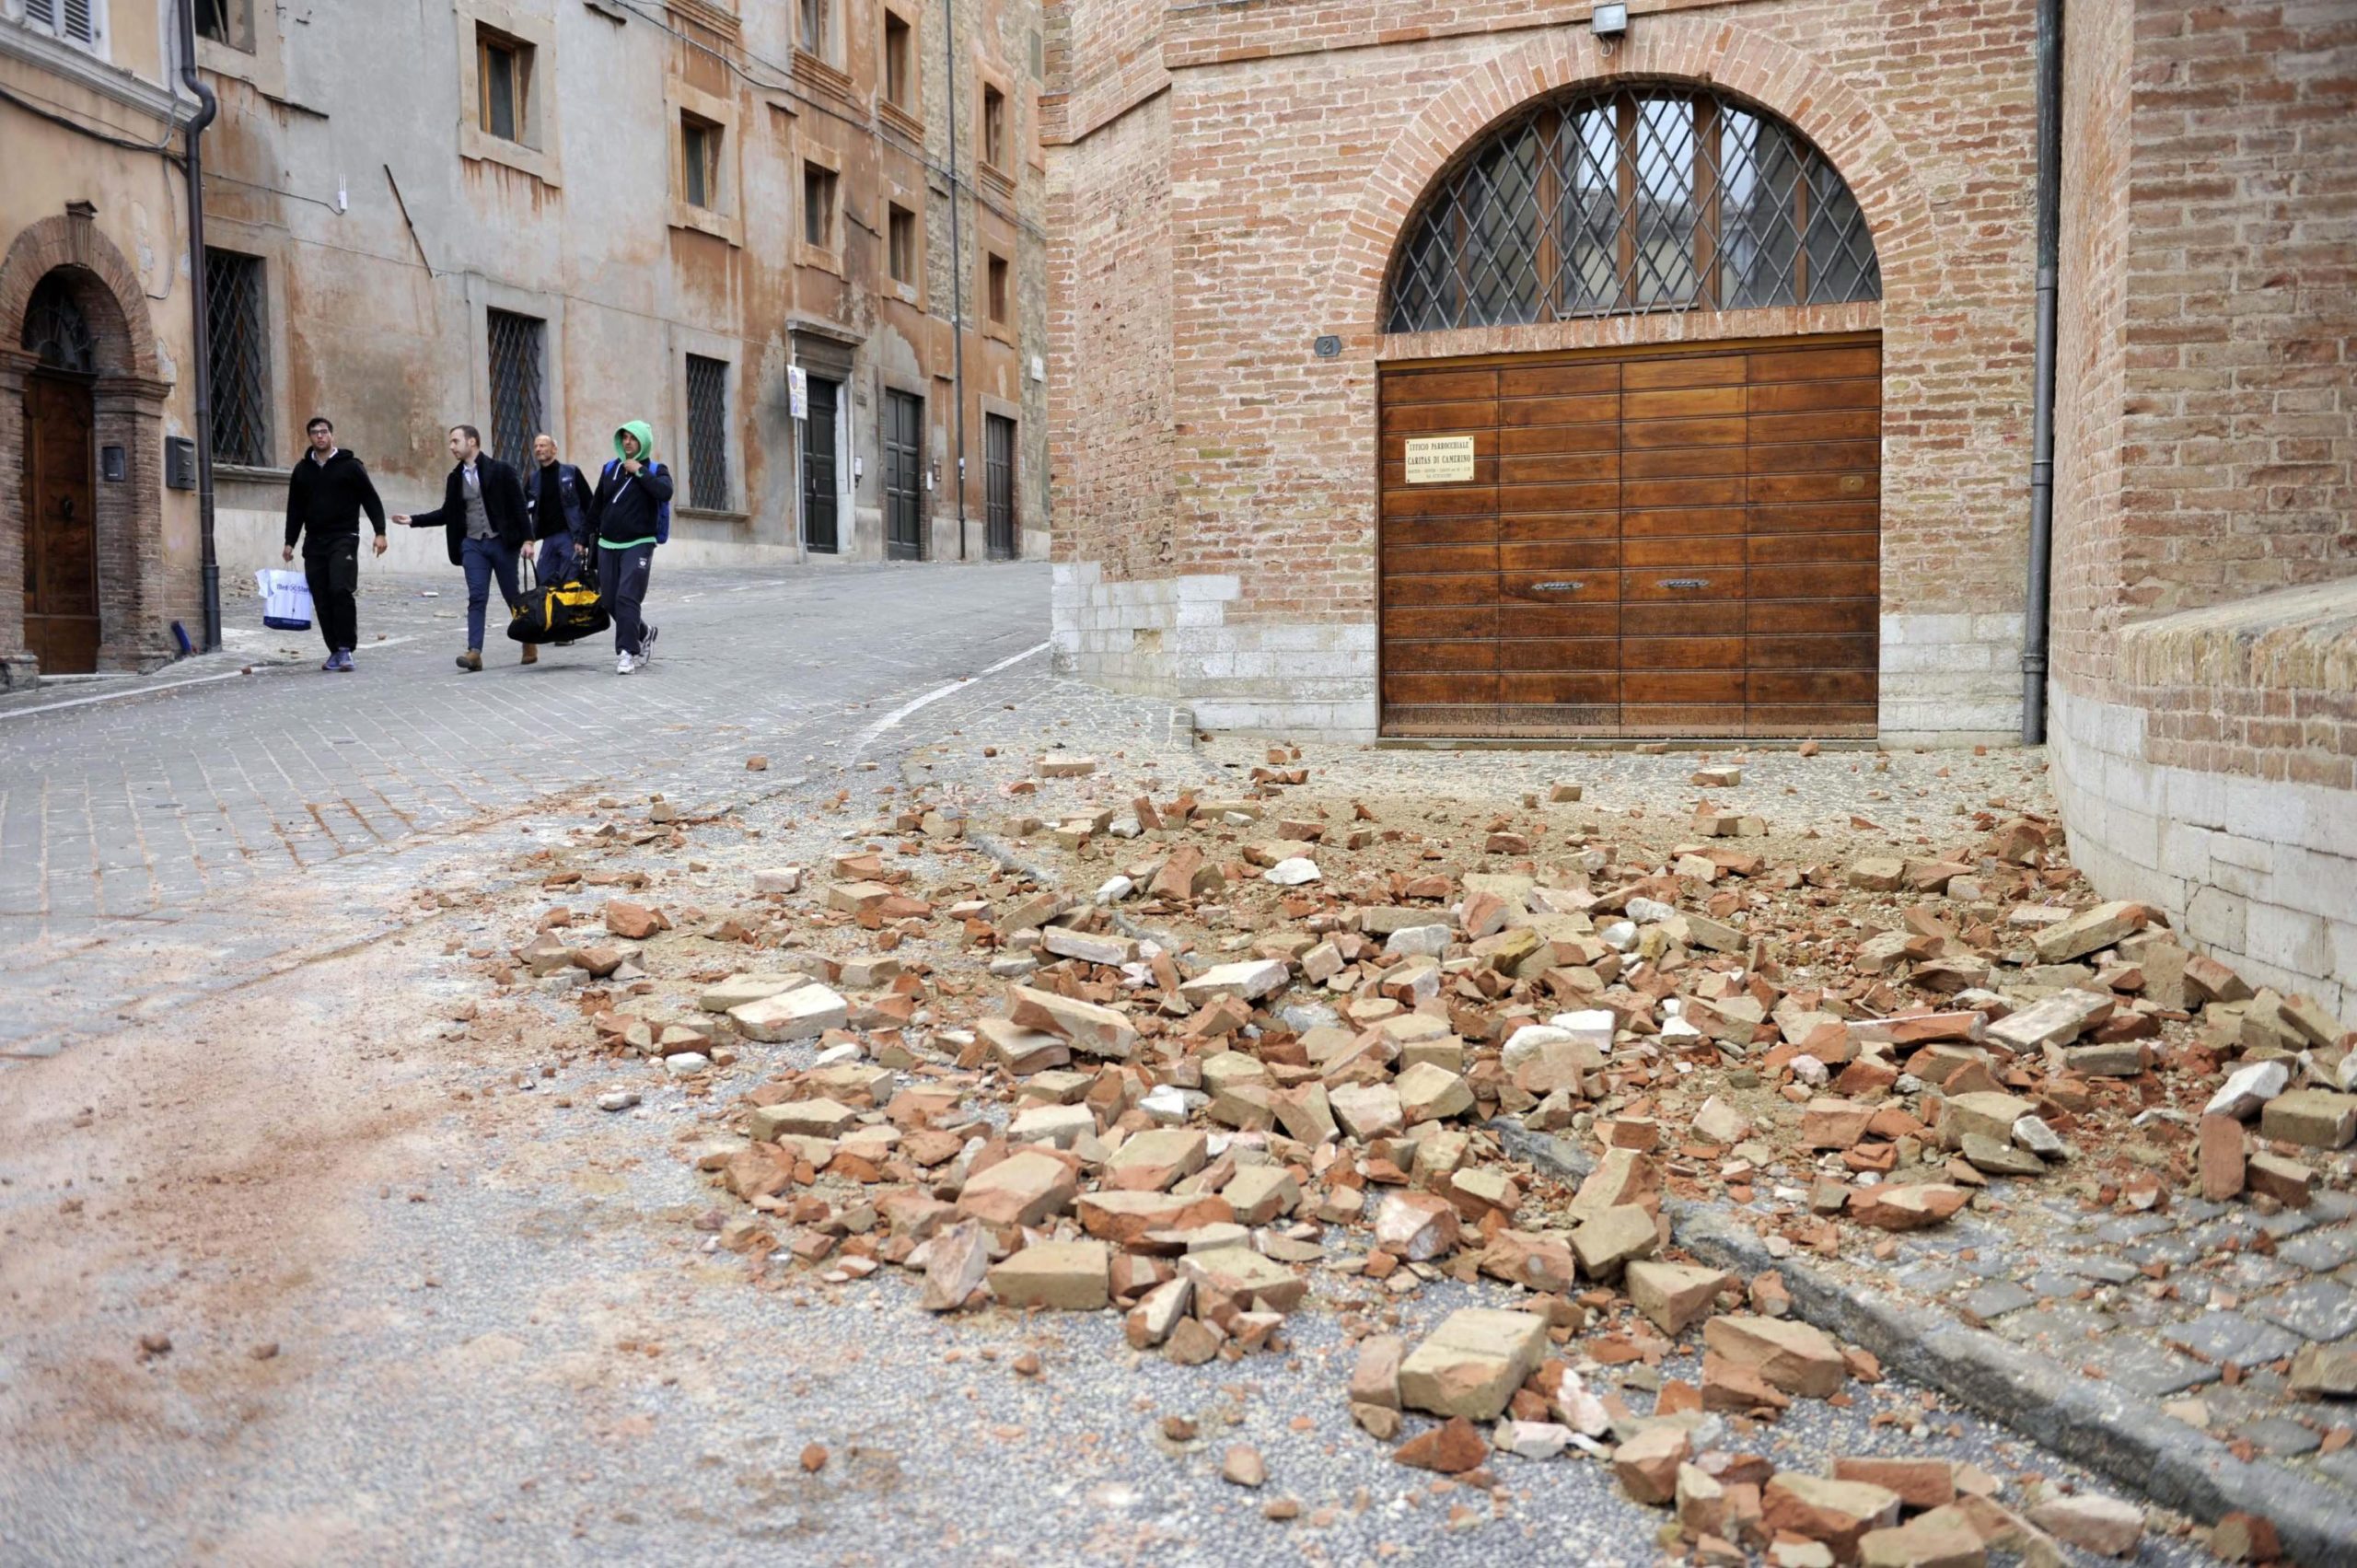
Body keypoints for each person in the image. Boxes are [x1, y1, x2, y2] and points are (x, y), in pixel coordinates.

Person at [392, 424, 532, 671]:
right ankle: (474, 652)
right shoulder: (455, 478)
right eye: (451, 442)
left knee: (512, 594)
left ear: (473, 442)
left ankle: (528, 638)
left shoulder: (501, 471)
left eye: (456, 441)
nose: (451, 447)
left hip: (501, 542)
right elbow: (448, 513)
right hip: (472, 544)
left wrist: (528, 540)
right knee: (477, 597)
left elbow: (519, 507)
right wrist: (413, 520)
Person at [282, 415, 387, 672]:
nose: (320, 436)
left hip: (344, 538)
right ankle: (334, 650)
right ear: (310, 437)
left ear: (332, 435)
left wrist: (380, 531)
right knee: (321, 595)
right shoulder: (302, 470)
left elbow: (370, 499)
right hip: (314, 541)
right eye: (315, 432)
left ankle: (345, 648)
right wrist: (289, 542)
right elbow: (294, 508)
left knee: (340, 589)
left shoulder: (350, 466)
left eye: (324, 431)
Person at [586, 421, 670, 676]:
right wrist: (582, 538)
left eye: (633, 438)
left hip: (639, 543)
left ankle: (626, 653)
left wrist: (640, 472)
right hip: (607, 544)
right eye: (624, 438)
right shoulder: (610, 469)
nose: (628, 442)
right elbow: (596, 506)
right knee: (610, 600)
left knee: (627, 597)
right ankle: (644, 632)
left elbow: (665, 492)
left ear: (643, 441)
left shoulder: (656, 469)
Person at [525, 431, 589, 587]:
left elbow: (590, 505)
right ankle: (551, 612)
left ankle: (569, 612)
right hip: (548, 539)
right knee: (543, 581)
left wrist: (584, 539)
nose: (538, 449)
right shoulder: (533, 479)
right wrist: (527, 541)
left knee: (570, 583)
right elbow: (522, 510)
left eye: (543, 445)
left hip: (570, 537)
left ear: (554, 449)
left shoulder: (571, 472)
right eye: (536, 446)